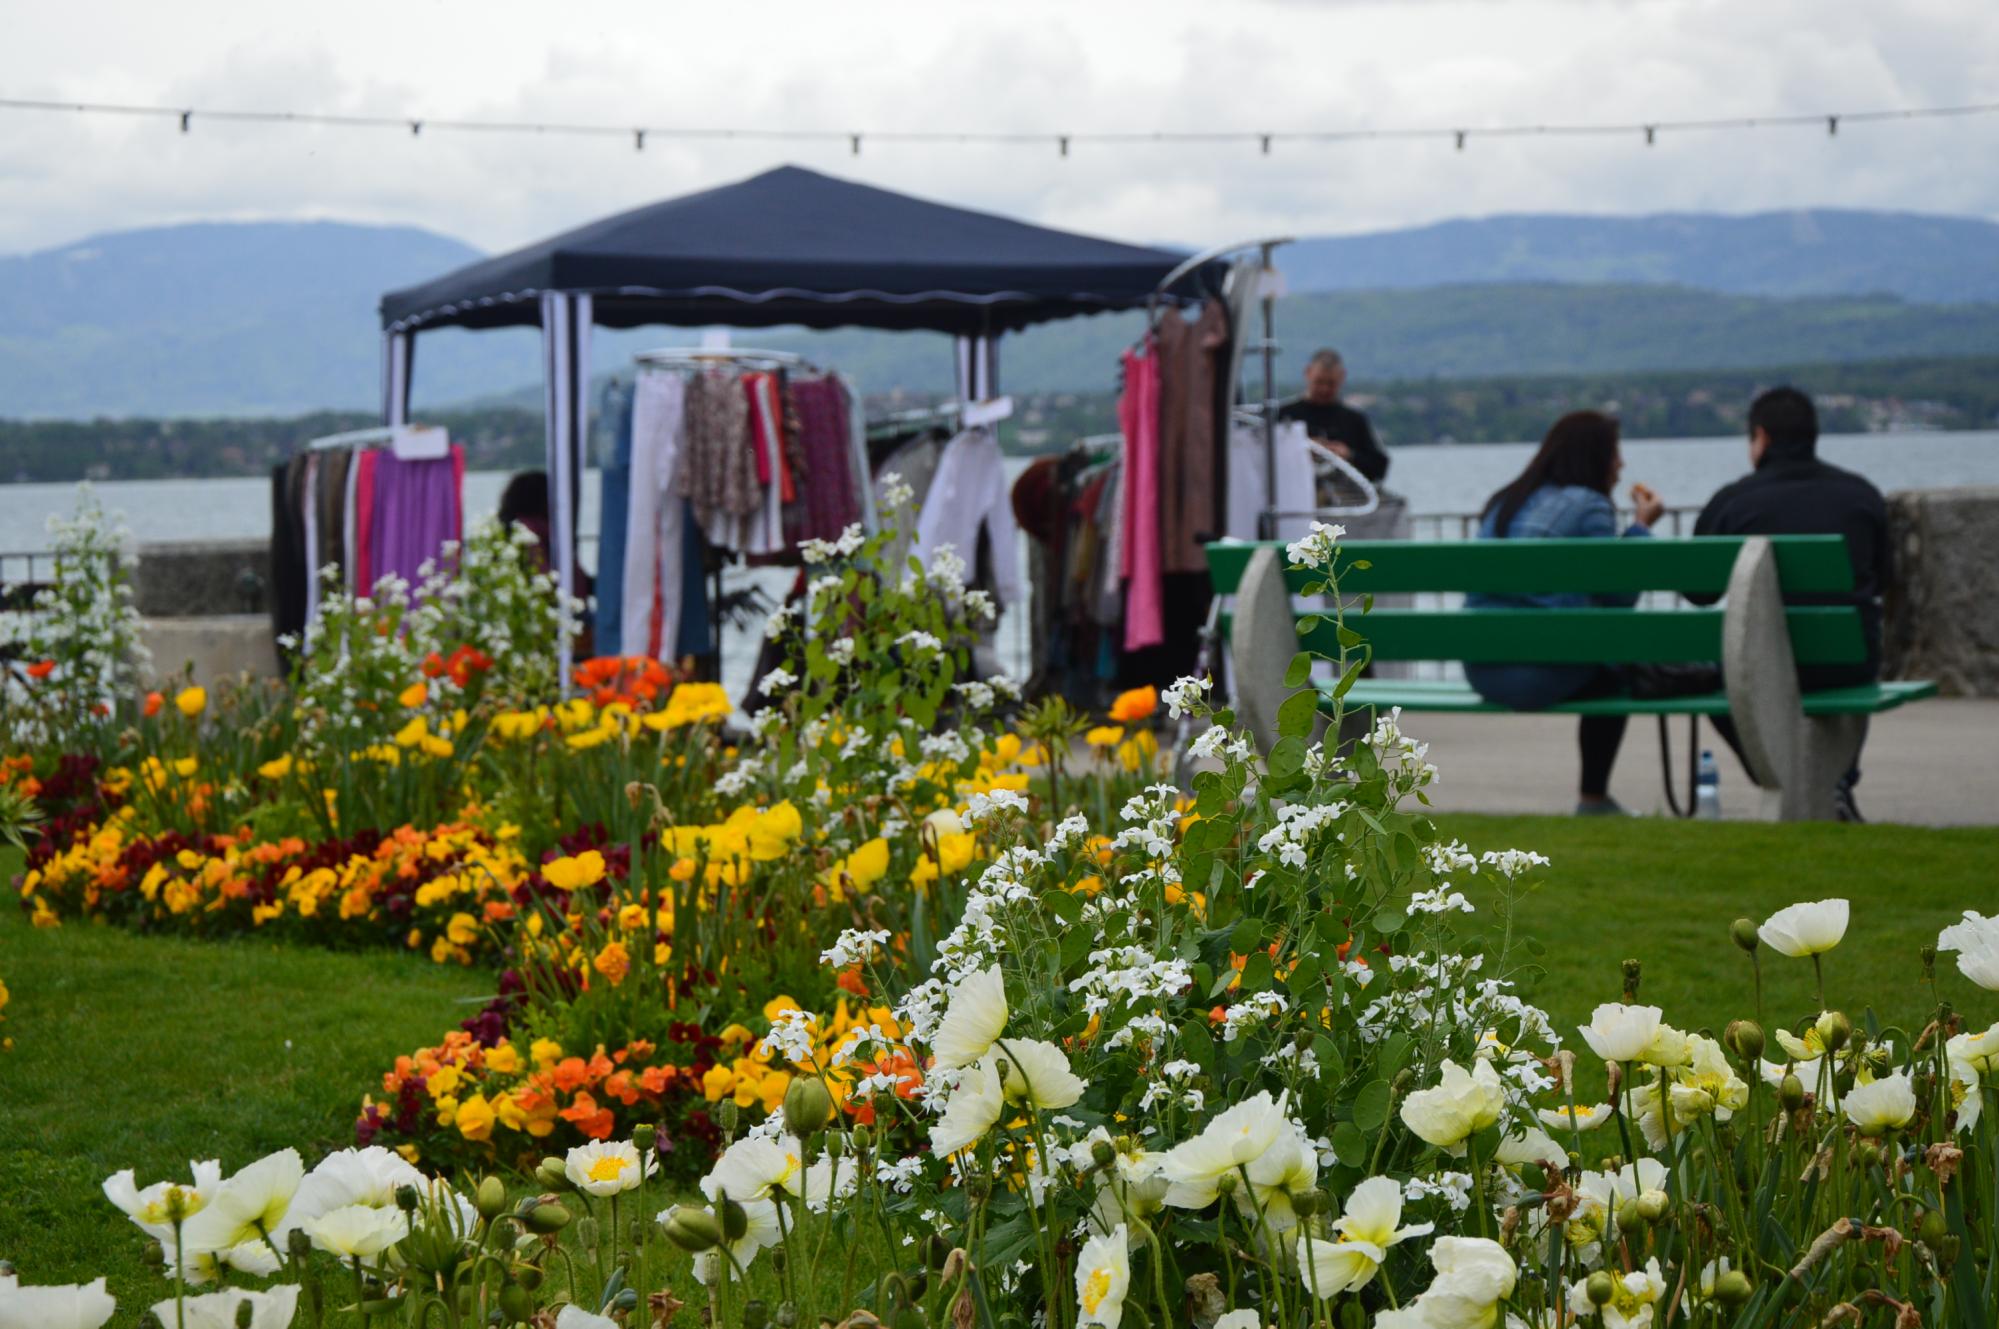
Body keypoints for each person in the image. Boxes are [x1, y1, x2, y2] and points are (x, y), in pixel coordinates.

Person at [1688, 387, 1890, 821]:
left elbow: (1697, 592)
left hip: (1757, 672)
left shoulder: (1732, 502)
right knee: (1855, 644)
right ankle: (1834, 782)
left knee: (1717, 680)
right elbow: (1884, 580)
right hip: (1846, 663)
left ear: (1761, 437)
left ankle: (1776, 775)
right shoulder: (1861, 495)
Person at [1463, 411, 1665, 816]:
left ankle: (1596, 801)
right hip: (1540, 676)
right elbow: (1621, 598)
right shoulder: (1591, 506)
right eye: (1615, 454)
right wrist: (1641, 527)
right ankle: (1593, 799)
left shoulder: (1505, 500)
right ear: (1595, 457)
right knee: (1614, 672)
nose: (1621, 465)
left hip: (1482, 668)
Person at [1278, 348, 1390, 484]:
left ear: (1342, 377)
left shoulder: (1355, 419)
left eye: (1331, 383)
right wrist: (1302, 451)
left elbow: (1380, 467)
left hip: (1347, 495)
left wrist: (1349, 455)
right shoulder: (1283, 415)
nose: (1324, 389)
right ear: (1308, 373)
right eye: (1319, 382)